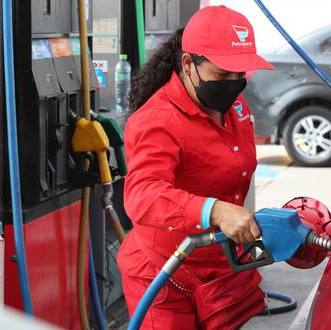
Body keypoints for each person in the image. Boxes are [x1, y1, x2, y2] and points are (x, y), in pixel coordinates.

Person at [117, 5, 274, 329]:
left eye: (240, 75)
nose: (233, 85)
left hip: (219, 269)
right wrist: (215, 211)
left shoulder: (234, 107)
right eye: (222, 75)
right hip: (165, 276)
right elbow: (142, 194)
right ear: (188, 64)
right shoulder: (157, 119)